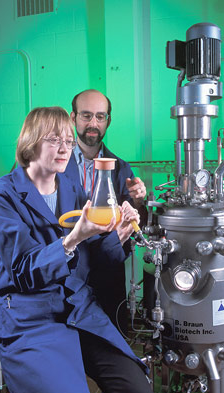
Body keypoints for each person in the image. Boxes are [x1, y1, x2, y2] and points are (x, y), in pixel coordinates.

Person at [0, 107, 154, 393]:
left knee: (137, 391)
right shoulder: (2, 196)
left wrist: (116, 233)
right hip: (30, 316)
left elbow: (95, 257)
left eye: (68, 141)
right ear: (31, 142)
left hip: (78, 308)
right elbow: (21, 271)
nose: (65, 148)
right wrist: (73, 238)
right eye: (55, 140)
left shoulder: (69, 187)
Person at [65, 89, 147, 335]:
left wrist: (138, 201)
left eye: (100, 117)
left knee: (113, 337)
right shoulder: (57, 162)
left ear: (108, 121)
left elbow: (133, 220)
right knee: (71, 343)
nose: (93, 123)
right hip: (67, 267)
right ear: (73, 117)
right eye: (86, 115)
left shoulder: (121, 168)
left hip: (107, 272)